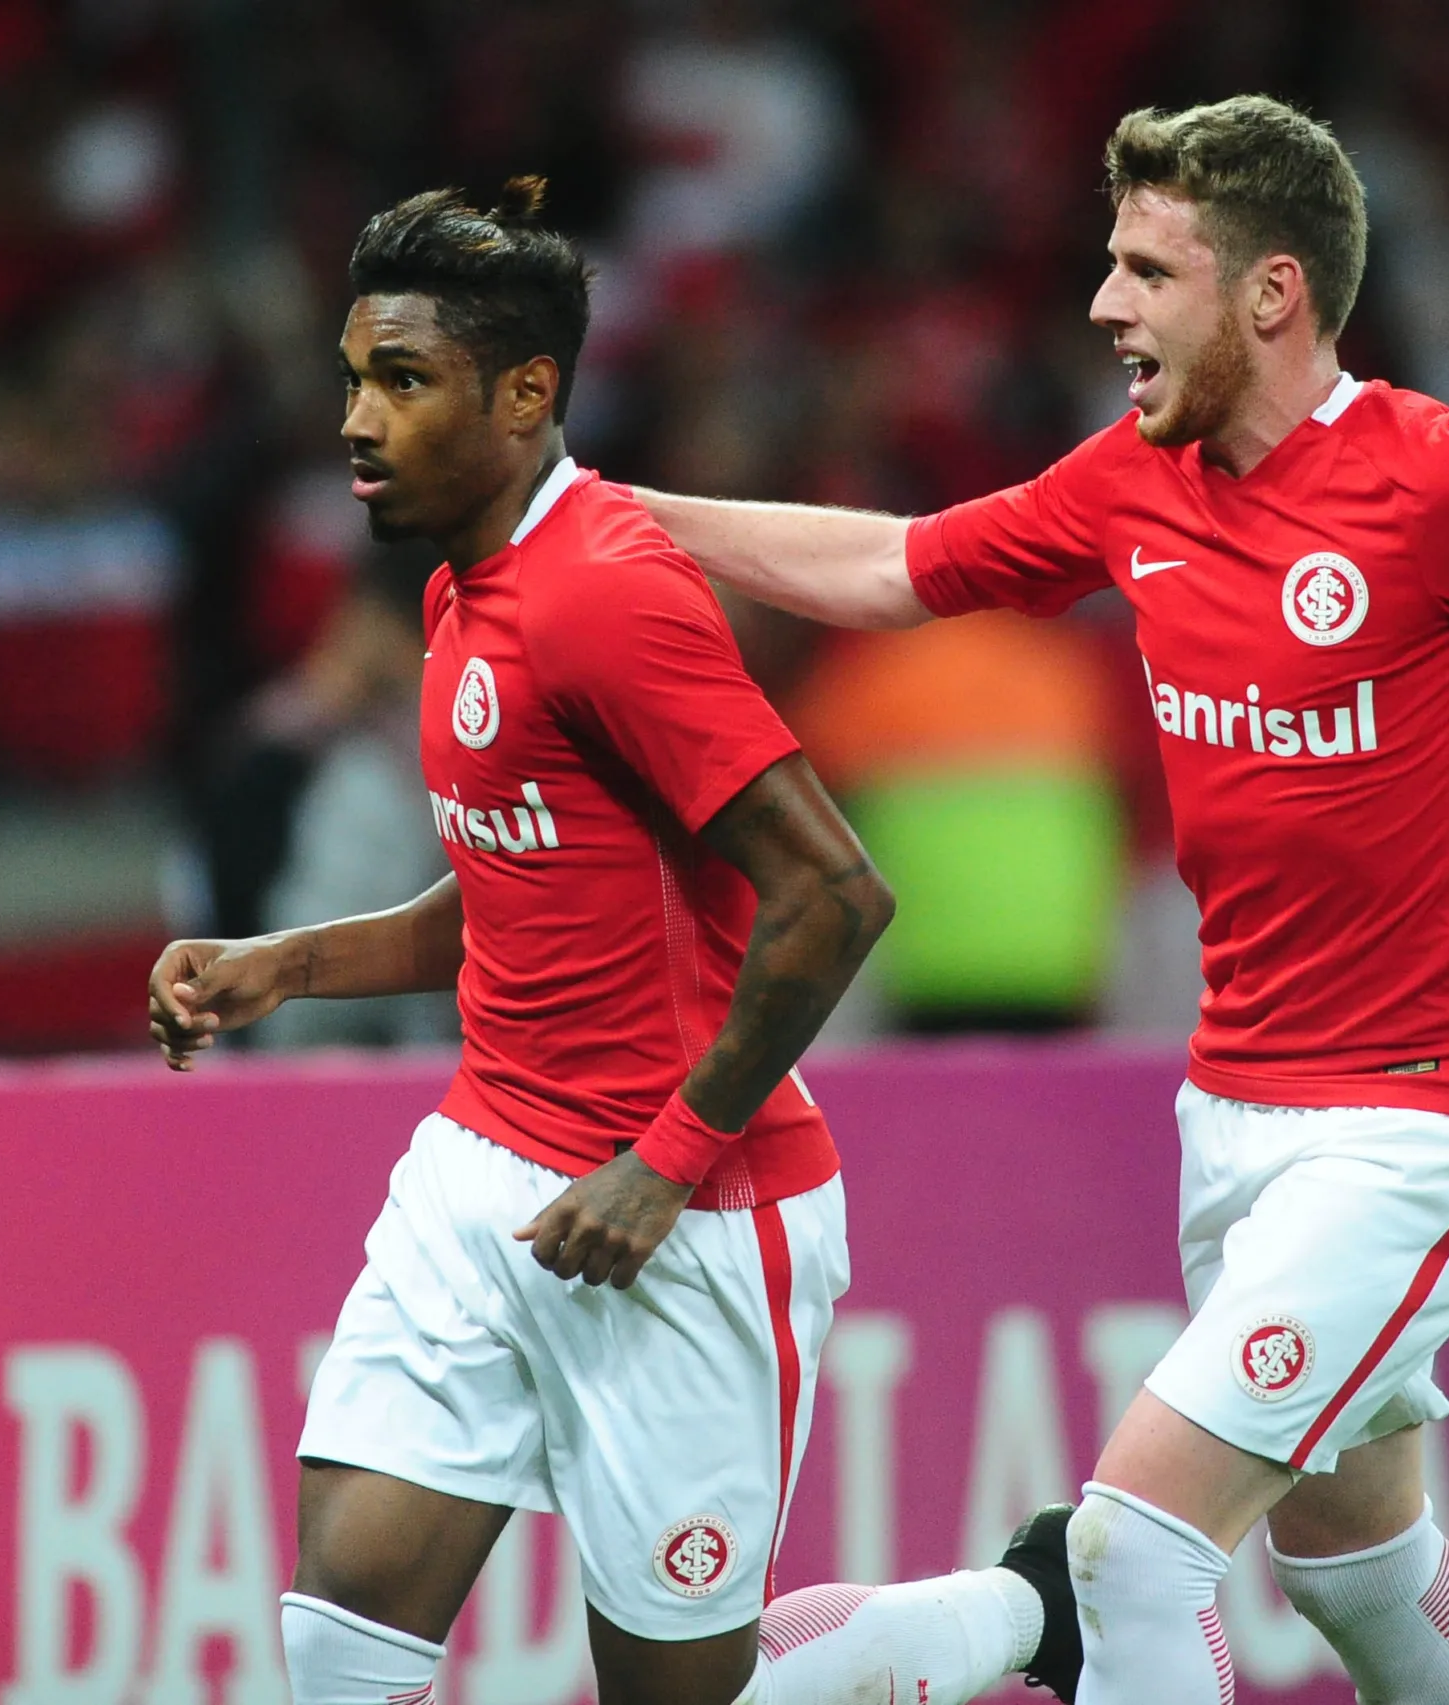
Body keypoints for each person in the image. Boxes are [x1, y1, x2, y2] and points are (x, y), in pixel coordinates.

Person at [637, 97, 1449, 1705]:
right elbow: (891, 564)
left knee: (1134, 1550)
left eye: (1146, 270)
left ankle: (1021, 1619)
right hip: (1237, 1121)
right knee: (1359, 1566)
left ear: (1270, 293)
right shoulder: (1136, 481)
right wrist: (615, 519)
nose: (1103, 306)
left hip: (1425, 1125)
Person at [147, 182, 1076, 1705]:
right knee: (339, 1636)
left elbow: (836, 894)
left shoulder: (607, 600)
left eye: (402, 381)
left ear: (525, 395)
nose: (355, 424)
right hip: (485, 1176)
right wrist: (285, 965)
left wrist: (664, 1160)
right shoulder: (464, 581)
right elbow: (521, 896)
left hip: (682, 1223)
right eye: (351, 379)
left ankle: (1026, 1613)